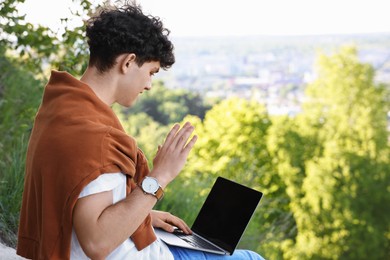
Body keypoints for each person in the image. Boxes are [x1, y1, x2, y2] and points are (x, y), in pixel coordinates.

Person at [17, 1, 264, 259]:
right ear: (128, 62)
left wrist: (143, 217)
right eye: (151, 72)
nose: (148, 85)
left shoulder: (61, 108)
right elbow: (97, 243)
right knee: (252, 257)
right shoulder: (95, 136)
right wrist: (161, 176)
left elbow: (81, 203)